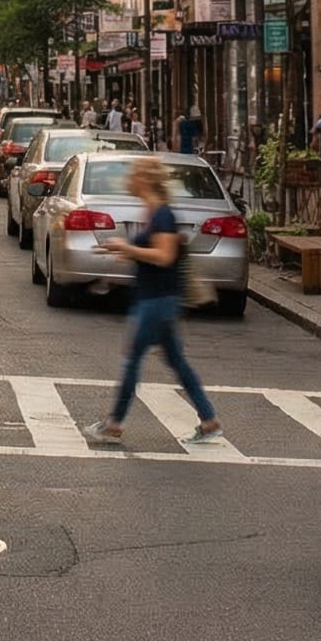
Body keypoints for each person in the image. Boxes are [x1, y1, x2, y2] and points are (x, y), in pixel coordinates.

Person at [84, 158, 225, 446]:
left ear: (145, 179)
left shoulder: (163, 214)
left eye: (133, 174)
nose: (127, 179)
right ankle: (209, 420)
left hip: (156, 301)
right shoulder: (153, 212)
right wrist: (127, 253)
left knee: (132, 360)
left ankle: (113, 424)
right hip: (157, 299)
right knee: (176, 361)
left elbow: (164, 257)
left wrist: (128, 248)